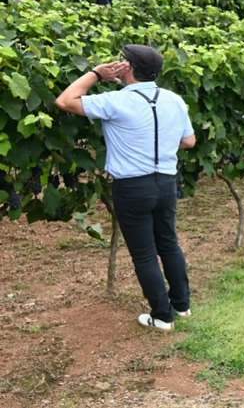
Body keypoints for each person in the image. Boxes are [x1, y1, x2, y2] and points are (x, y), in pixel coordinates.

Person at [54, 44, 196, 331]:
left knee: (144, 253)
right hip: (166, 183)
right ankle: (181, 306)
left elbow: (66, 100)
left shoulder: (115, 101)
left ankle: (162, 316)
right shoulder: (174, 100)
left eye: (121, 60)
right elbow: (189, 141)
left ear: (128, 68)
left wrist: (96, 73)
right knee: (168, 243)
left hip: (132, 187)